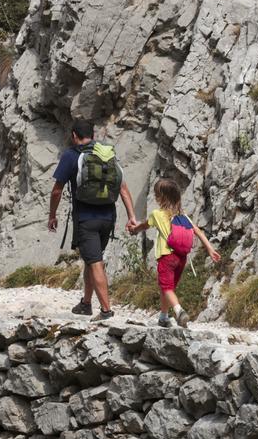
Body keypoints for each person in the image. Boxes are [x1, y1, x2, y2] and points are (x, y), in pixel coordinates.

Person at [48, 120, 138, 321]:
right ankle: (86, 304)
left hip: (86, 220)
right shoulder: (106, 154)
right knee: (91, 260)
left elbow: (56, 191)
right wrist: (132, 217)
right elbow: (123, 188)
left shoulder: (71, 155)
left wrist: (52, 215)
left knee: (95, 262)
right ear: (93, 135)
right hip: (108, 219)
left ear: (74, 136)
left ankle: (106, 310)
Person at [129, 178, 221, 328]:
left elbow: (143, 226)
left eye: (156, 194)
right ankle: (164, 317)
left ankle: (179, 311)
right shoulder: (183, 217)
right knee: (168, 287)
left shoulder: (157, 214)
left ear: (161, 197)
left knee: (166, 287)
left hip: (167, 257)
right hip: (181, 258)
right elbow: (197, 231)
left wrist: (134, 230)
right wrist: (210, 249)